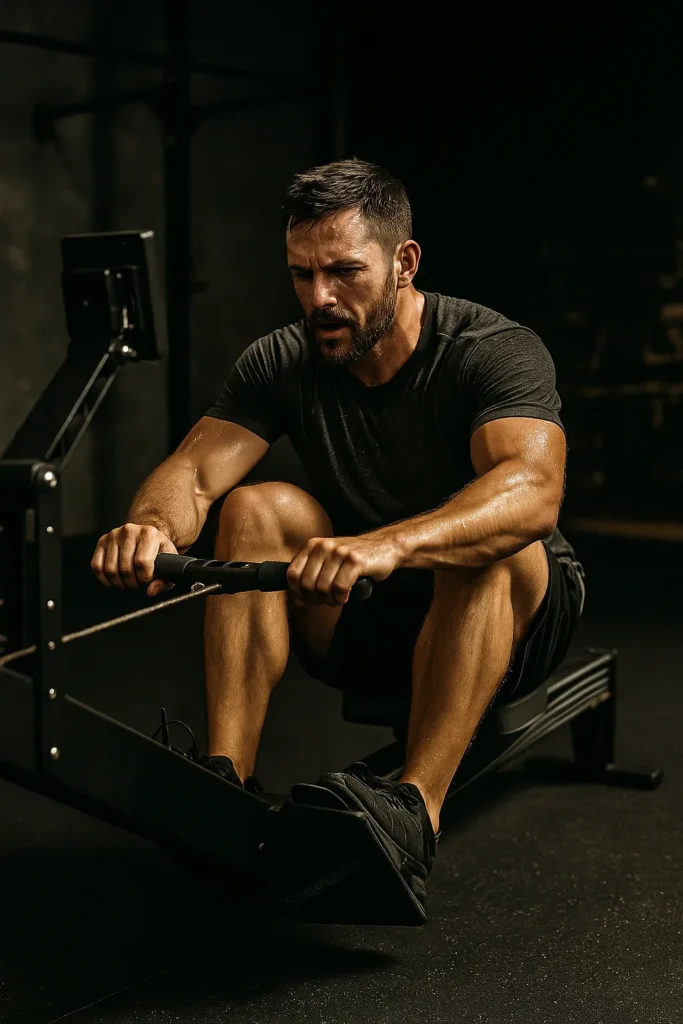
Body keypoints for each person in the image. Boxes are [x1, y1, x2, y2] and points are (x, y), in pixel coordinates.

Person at [91, 158, 586, 907]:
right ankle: (227, 785)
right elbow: (193, 474)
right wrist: (149, 529)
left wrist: (387, 543)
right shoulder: (283, 360)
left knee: (483, 543)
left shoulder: (489, 348)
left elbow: (532, 490)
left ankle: (414, 813)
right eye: (301, 274)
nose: (318, 298)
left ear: (403, 263)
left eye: (344, 272)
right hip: (369, 613)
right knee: (255, 508)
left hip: (513, 620)